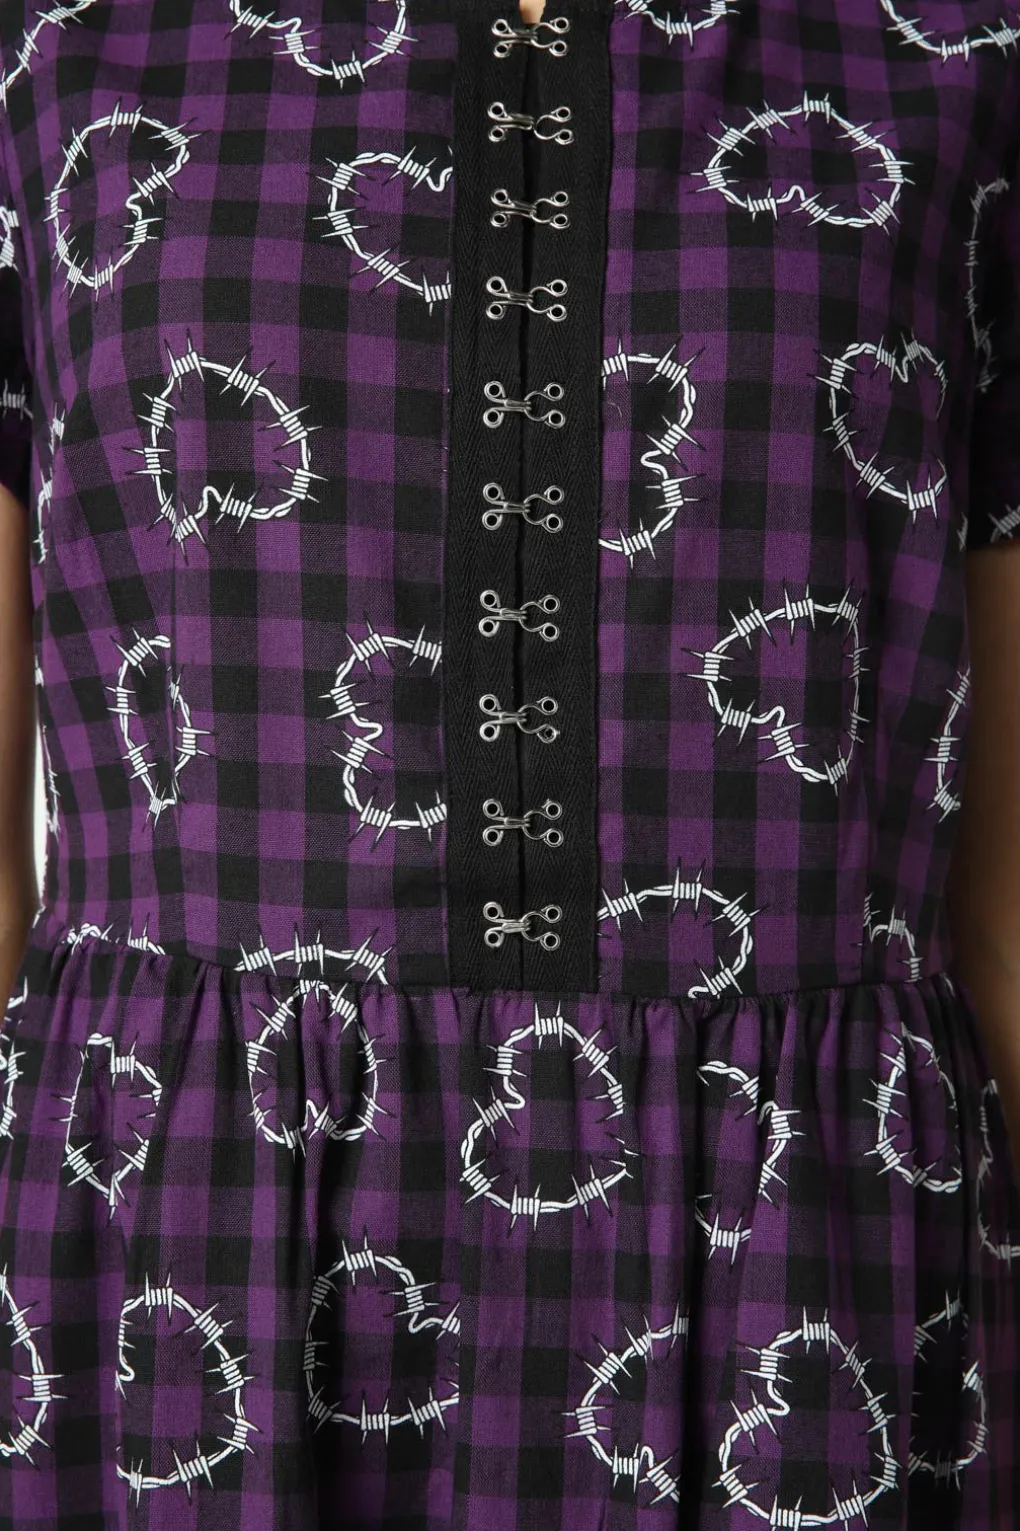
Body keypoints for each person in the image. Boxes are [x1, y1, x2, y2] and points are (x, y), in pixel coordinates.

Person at [0, 0, 1018, 1525]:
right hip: (186, 1249)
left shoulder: (952, 49)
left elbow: (999, 909)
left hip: (811, 1259)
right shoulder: (60, 43)